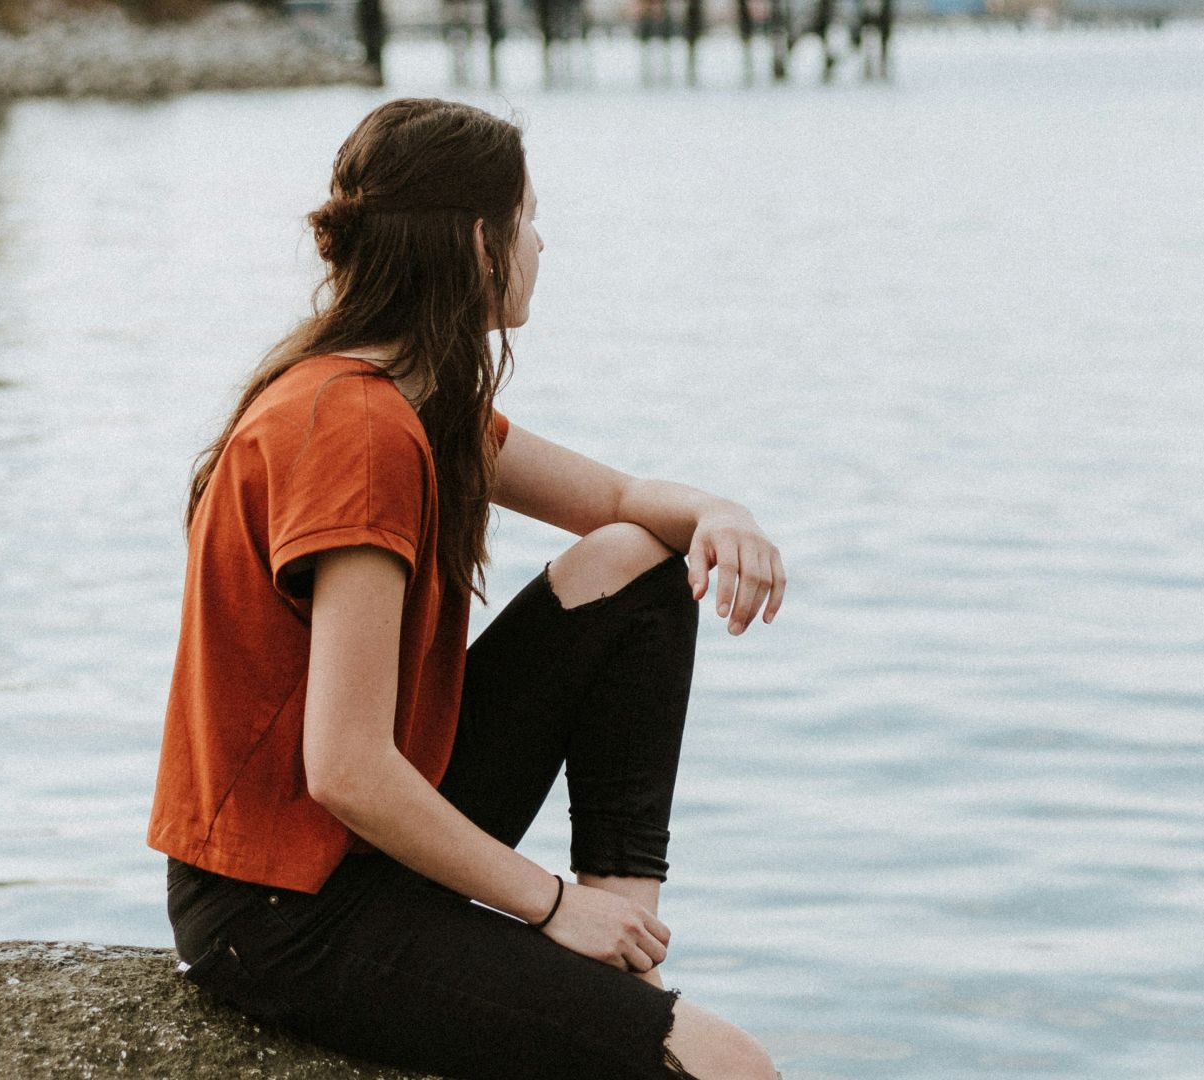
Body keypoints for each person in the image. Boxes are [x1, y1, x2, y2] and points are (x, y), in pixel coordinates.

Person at [147, 97, 785, 1080]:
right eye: (528, 220)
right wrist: (551, 905)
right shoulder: (354, 432)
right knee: (729, 1067)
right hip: (282, 906)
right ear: (481, 242)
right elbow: (346, 768)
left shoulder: (420, 400)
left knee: (636, 560)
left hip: (358, 847)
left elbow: (619, 502)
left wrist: (719, 514)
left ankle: (631, 959)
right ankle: (617, 978)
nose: (541, 242)